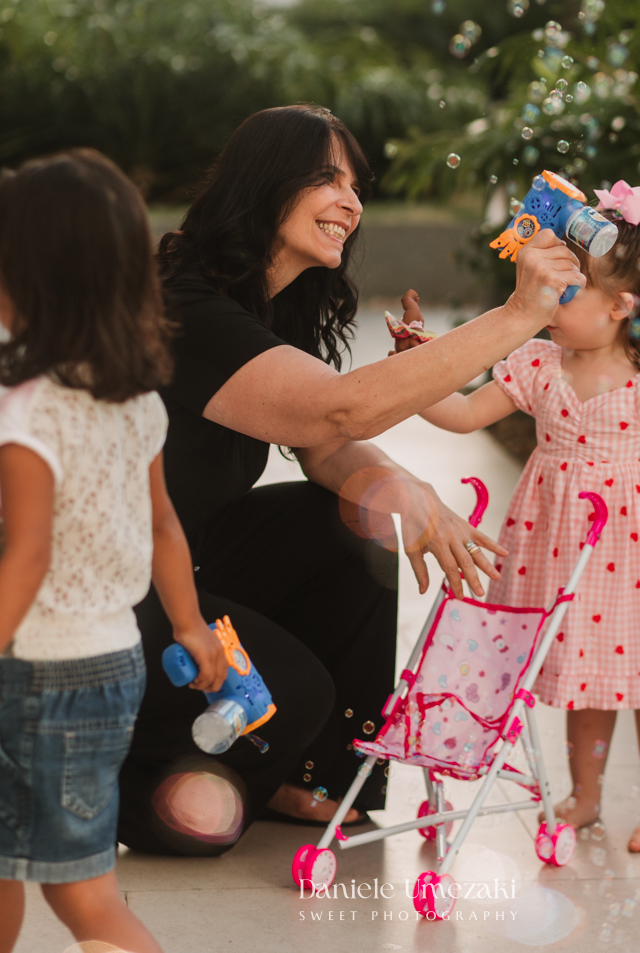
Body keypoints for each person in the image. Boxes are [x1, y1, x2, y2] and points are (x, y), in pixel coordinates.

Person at [118, 104, 585, 857]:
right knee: (291, 694)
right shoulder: (184, 301)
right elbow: (337, 409)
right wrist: (517, 316)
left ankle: (311, 775)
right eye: (326, 179)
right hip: (105, 589)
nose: (351, 202)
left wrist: (404, 489)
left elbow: (322, 444)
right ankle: (129, 789)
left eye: (355, 185)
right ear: (265, 185)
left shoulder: (270, 302)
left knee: (355, 519)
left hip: (180, 554)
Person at [413, 186, 640, 854]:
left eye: (564, 294)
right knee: (583, 677)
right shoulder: (538, 366)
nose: (546, 305)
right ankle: (585, 794)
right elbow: (460, 414)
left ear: (621, 306)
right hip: (563, 551)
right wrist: (412, 373)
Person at [0, 152, 225, 953]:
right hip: (113, 664)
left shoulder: (27, 411)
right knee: (39, 871)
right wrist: (192, 627)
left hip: (33, 673)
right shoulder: (132, 399)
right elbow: (162, 522)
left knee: (83, 899)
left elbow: (25, 555)